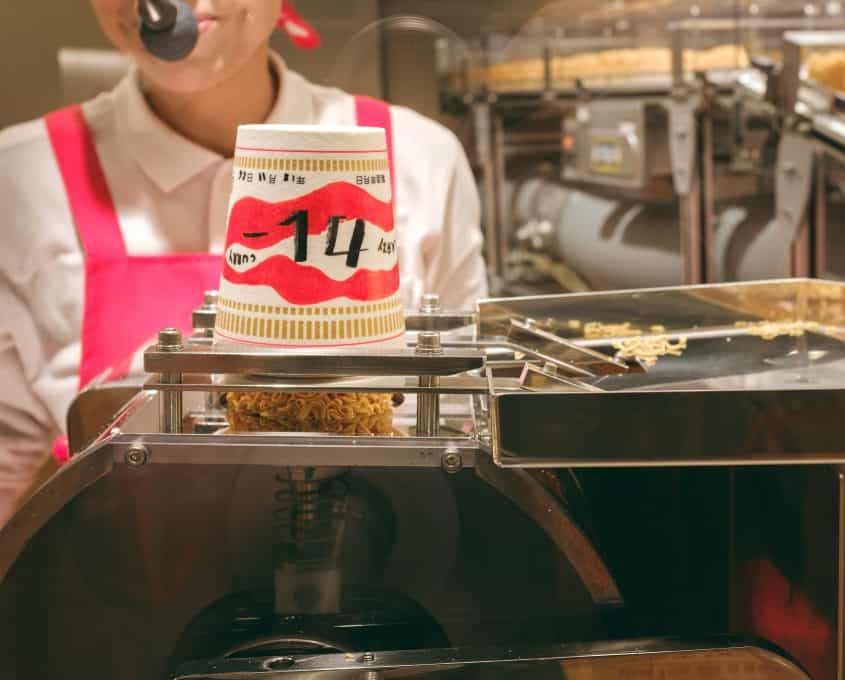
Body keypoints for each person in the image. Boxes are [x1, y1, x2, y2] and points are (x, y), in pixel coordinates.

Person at [0, 0, 489, 525]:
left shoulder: (421, 158)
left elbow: (473, 428)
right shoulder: (22, 179)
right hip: (132, 594)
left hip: (396, 574)